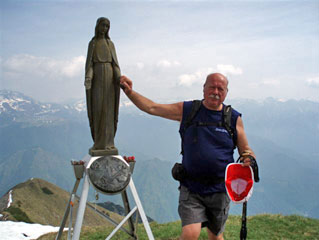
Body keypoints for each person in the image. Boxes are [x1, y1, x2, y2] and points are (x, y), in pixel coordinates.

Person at [120, 73, 255, 240]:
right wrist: (129, 92)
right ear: (204, 88)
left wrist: (249, 159)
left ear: (226, 92)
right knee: (190, 234)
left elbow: (246, 150)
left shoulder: (233, 118)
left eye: (220, 88)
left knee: (216, 236)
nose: (215, 91)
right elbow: (152, 108)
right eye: (211, 87)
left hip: (220, 189)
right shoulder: (189, 110)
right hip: (192, 187)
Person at [85, 17, 121, 156]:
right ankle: (99, 143)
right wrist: (89, 77)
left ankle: (109, 143)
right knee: (98, 110)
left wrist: (119, 78)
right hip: (97, 81)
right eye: (103, 25)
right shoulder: (93, 44)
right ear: (97, 26)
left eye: (107, 26)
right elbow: (90, 64)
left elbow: (115, 64)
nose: (104, 28)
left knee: (109, 112)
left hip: (111, 81)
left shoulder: (110, 44)